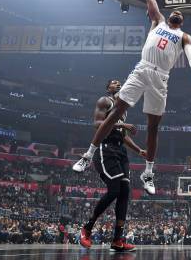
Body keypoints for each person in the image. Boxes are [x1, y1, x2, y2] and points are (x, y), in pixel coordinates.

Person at [73, 0, 191, 195]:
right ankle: (88, 155)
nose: (176, 12)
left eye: (179, 13)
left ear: (182, 21)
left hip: (161, 77)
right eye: (174, 10)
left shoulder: (184, 37)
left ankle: (148, 173)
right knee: (115, 112)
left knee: (153, 127)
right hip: (142, 69)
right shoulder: (159, 21)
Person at [79, 80, 146, 252]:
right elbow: (97, 124)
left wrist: (139, 150)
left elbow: (122, 136)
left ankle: (117, 240)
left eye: (120, 83)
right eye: (114, 83)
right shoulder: (105, 101)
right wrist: (122, 124)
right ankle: (87, 228)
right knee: (115, 190)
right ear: (108, 87)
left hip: (120, 150)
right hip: (106, 147)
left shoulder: (122, 110)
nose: (118, 84)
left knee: (124, 192)